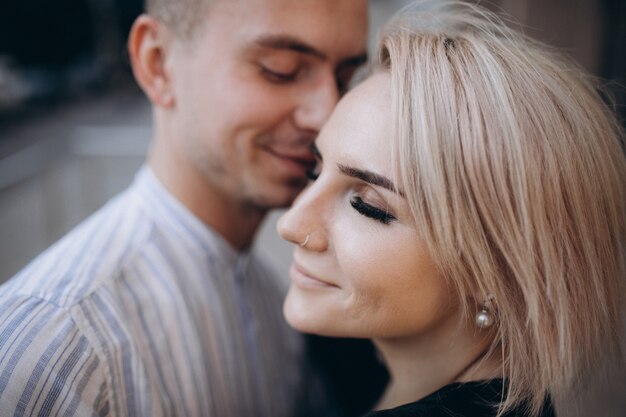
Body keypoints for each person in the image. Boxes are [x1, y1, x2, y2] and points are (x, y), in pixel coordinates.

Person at [0, 0, 388, 416]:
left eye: (345, 79)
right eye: (282, 69)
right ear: (157, 63)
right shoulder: (54, 348)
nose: (326, 114)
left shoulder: (281, 298)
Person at [277, 1, 626, 416]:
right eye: (316, 170)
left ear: (498, 262)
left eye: (366, 205)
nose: (291, 222)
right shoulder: (345, 370)